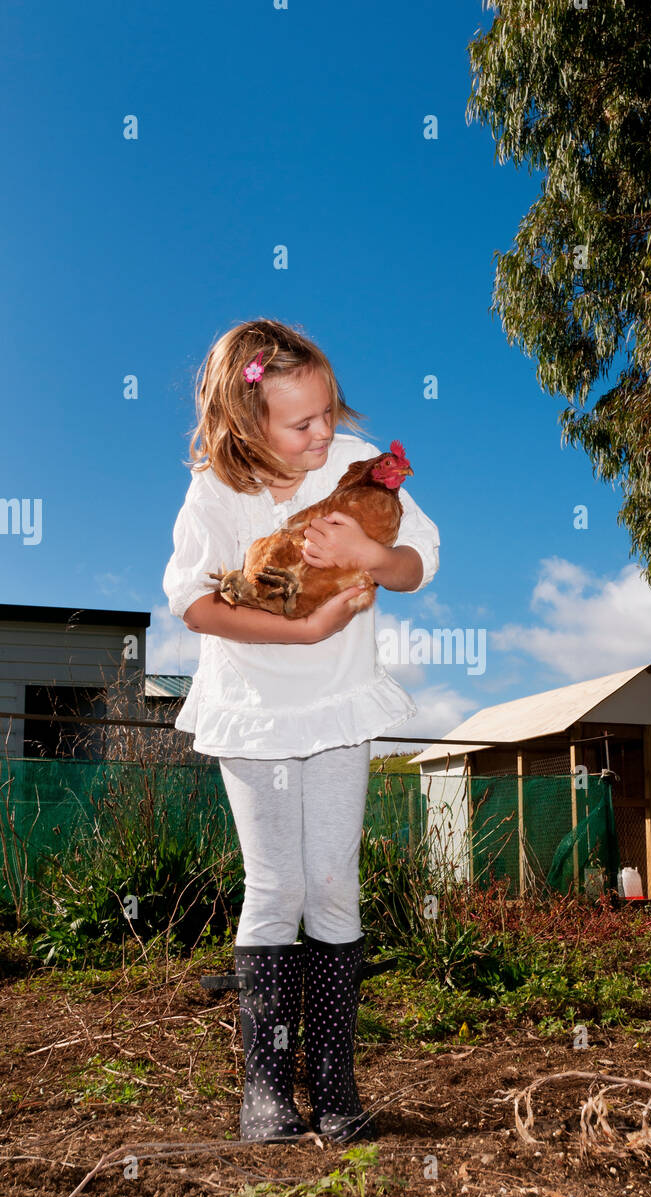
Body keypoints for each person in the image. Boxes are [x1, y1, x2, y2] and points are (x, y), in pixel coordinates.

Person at [162, 318, 440, 1144]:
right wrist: (306, 631)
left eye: (328, 412)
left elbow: (417, 564)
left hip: (338, 705)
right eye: (302, 423)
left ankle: (335, 1084)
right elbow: (194, 602)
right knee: (275, 888)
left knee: (332, 885)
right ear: (247, 424)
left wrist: (372, 553)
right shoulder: (215, 490)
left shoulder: (357, 467)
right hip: (252, 707)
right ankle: (265, 1091)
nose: (324, 432)